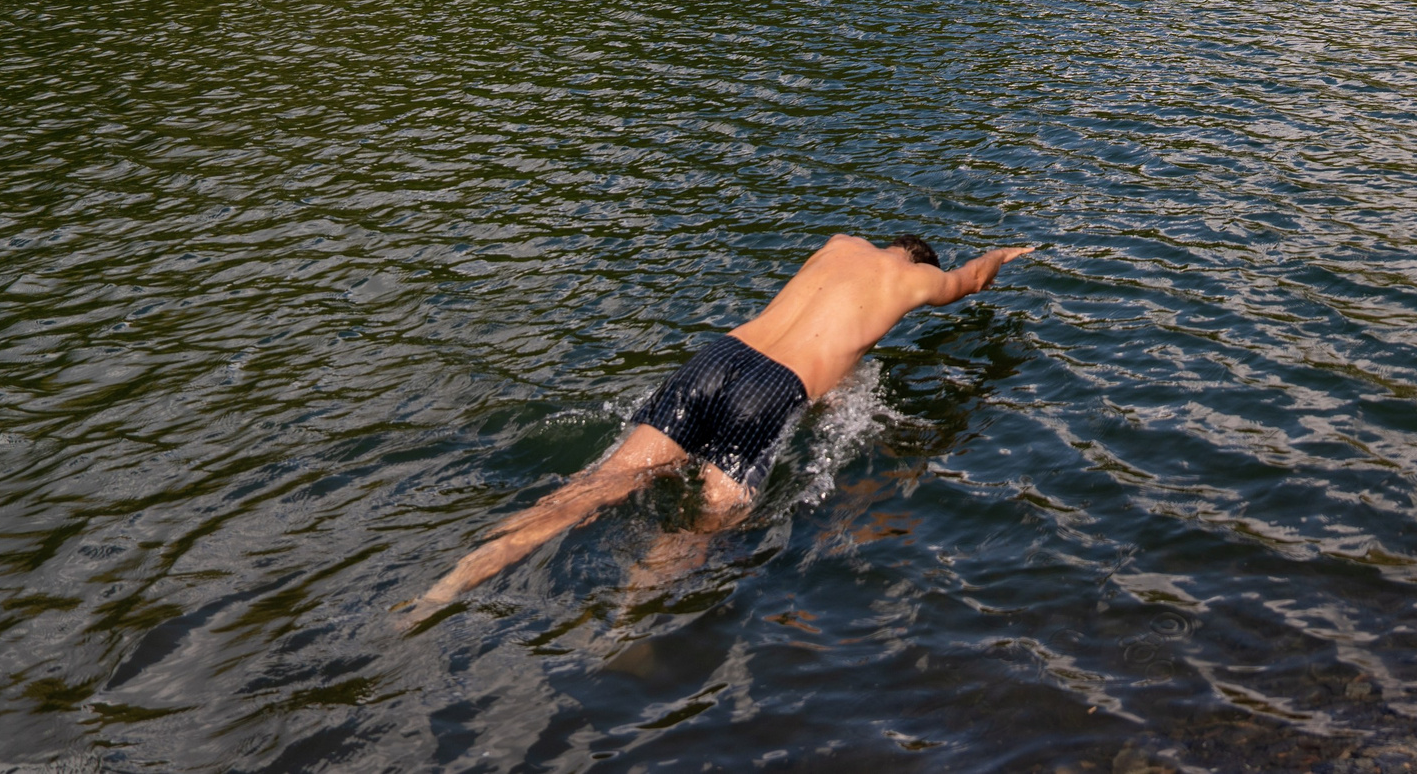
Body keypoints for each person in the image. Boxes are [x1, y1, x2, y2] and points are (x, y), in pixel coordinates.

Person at [420, 232, 1032, 605]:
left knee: (597, 485)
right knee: (711, 523)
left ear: (884, 243)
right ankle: (622, 623)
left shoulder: (841, 245)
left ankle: (451, 582)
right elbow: (971, 279)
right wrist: (1003, 253)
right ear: (917, 259)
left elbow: (826, 327)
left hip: (720, 356)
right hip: (773, 390)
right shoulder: (918, 278)